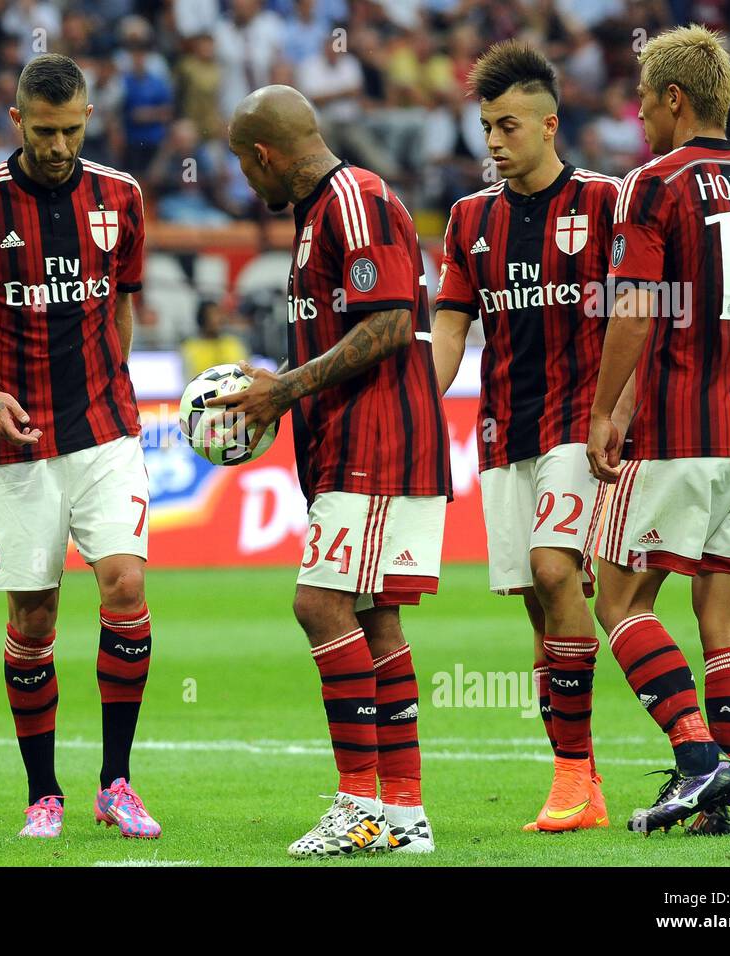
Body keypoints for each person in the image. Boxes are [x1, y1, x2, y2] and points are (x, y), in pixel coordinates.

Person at [586, 26, 730, 836]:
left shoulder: (653, 183)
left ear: (674, 99)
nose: (641, 117)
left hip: (674, 431)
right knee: (727, 623)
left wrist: (603, 410)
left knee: (617, 601)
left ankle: (697, 762)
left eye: (645, 101)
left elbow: (638, 304)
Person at [212, 85, 451, 857]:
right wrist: (282, 386)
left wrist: (287, 387)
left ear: (265, 154)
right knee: (375, 617)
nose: (248, 185)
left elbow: (389, 323)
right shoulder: (320, 213)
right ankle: (403, 813)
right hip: (357, 443)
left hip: (376, 441)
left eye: (246, 169)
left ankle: (358, 803)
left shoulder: (356, 199)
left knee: (319, 605)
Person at [0, 54, 159, 841]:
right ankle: (42, 792)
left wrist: (113, 388)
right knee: (35, 614)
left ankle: (117, 782)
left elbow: (124, 307)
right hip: (16, 440)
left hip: (105, 431)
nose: (59, 146)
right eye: (44, 130)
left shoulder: (121, 195)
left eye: (72, 129)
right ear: (17, 121)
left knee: (124, 584)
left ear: (88, 117)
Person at [433, 41, 620, 833]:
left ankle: (575, 775)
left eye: (508, 125)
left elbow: (641, 316)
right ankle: (582, 782)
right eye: (485, 128)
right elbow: (449, 331)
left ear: (550, 124)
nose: (495, 141)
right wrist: (413, 401)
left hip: (582, 426)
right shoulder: (469, 220)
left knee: (555, 570)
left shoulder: (609, 202)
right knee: (544, 613)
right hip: (503, 431)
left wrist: (627, 412)